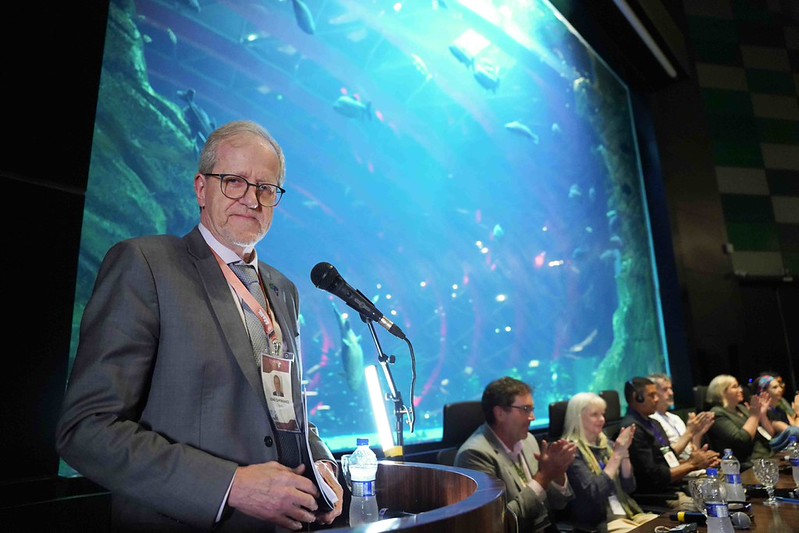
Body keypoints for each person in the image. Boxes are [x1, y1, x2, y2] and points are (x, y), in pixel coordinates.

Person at [55, 120, 343, 532]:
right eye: (234, 182)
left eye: (266, 187)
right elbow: (86, 429)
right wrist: (229, 486)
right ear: (201, 189)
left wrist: (321, 463)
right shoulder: (146, 265)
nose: (252, 199)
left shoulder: (284, 290)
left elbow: (285, 410)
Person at [455, 377, 577, 533]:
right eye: (526, 409)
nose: (533, 417)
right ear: (500, 413)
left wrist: (557, 473)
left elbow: (558, 504)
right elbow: (499, 522)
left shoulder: (529, 440)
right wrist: (544, 476)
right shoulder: (475, 454)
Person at [562, 392, 659, 533]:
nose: (602, 419)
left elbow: (629, 487)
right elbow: (595, 492)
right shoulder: (571, 451)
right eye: (594, 415)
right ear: (577, 418)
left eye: (602, 414)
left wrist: (624, 454)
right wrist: (617, 455)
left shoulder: (607, 445)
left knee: (665, 526)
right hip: (602, 522)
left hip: (630, 513)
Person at [620, 377, 718, 508]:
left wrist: (698, 460)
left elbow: (666, 458)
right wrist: (692, 464)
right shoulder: (632, 429)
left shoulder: (654, 423)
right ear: (637, 397)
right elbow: (653, 477)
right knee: (708, 505)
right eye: (651, 395)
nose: (656, 399)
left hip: (676, 485)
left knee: (720, 488)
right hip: (659, 495)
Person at [705, 374, 774, 470]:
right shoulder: (717, 414)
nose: (741, 390)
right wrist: (754, 416)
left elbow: (768, 434)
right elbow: (742, 440)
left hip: (768, 455)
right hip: (749, 465)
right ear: (722, 392)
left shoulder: (741, 408)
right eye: (735, 387)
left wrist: (761, 414)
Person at [648, 373, 715, 462]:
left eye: (671, 388)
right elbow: (667, 458)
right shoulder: (652, 420)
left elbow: (691, 453)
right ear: (653, 394)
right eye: (665, 390)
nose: (671, 393)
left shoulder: (675, 418)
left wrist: (697, 434)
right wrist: (690, 431)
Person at [751, 373, 799, 452]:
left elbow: (794, 424)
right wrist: (798, 412)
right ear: (764, 392)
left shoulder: (779, 409)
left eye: (779, 386)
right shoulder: (766, 412)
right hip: (779, 449)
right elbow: (792, 431)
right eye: (775, 387)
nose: (780, 389)